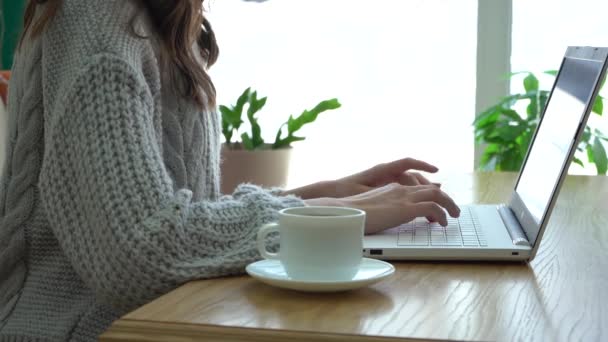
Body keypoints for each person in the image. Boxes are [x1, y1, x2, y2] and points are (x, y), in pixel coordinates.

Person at [0, 0, 460, 340]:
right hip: (77, 329)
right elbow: (141, 254)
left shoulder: (165, 20)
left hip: (164, 318)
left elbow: (181, 213)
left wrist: (318, 196)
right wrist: (323, 214)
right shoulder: (97, 20)